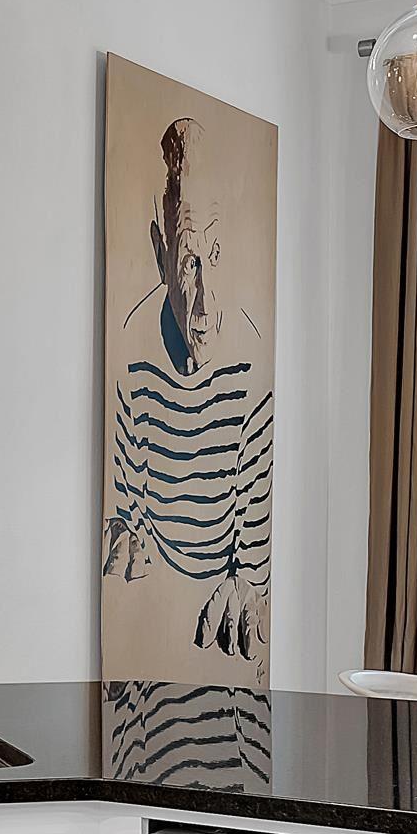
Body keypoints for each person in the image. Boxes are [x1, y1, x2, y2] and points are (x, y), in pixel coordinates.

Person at [103, 115, 272, 677]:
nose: (204, 303)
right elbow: (127, 511)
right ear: (161, 253)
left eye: (215, 254)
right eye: (189, 262)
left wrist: (247, 585)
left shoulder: (251, 370)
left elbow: (253, 556)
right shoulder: (129, 365)